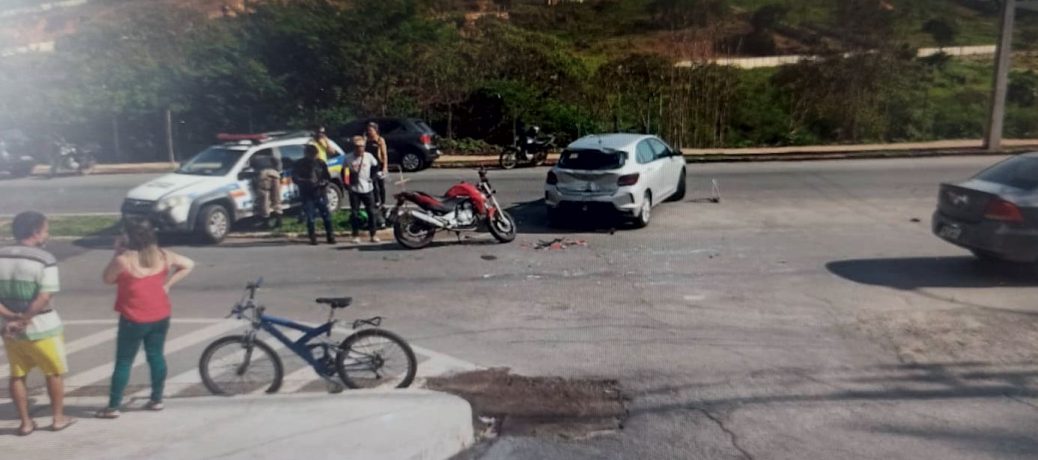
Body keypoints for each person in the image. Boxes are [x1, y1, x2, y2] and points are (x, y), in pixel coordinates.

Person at [97, 219, 194, 419]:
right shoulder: (163, 255)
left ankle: (113, 406)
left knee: (124, 361)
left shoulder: (123, 260)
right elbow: (188, 264)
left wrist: (116, 251)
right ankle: (157, 399)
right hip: (160, 314)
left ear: (128, 238)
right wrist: (167, 285)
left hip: (133, 318)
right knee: (156, 356)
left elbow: (107, 279)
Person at [0, 211, 75, 435]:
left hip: (10, 330)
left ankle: (25, 423)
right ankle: (58, 418)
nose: (47, 234)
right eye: (45, 230)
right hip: (43, 327)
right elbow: (45, 296)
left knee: (17, 374)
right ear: (35, 232)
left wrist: (11, 318)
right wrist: (25, 319)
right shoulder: (45, 259)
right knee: (53, 373)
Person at [292, 144, 336, 245]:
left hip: (320, 192)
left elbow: (327, 177)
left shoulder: (321, 163)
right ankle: (312, 237)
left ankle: (330, 236)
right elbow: (295, 178)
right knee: (310, 217)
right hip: (307, 194)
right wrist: (306, 181)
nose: (312, 157)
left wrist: (322, 183)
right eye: (309, 154)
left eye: (313, 154)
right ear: (305, 154)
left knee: (326, 216)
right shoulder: (299, 164)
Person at [345, 136, 380, 244]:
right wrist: (347, 184)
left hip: (368, 189)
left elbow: (376, 166)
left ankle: (373, 235)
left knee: (371, 212)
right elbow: (345, 171)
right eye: (357, 147)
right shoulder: (348, 158)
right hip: (355, 190)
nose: (360, 149)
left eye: (361, 147)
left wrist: (373, 178)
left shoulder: (368, 157)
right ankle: (355, 235)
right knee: (355, 213)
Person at [250, 149, 283, 228]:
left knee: (264, 198)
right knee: (276, 198)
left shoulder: (254, 157)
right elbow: (279, 166)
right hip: (275, 174)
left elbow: (251, 169)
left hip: (263, 175)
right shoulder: (272, 156)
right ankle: (279, 220)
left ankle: (266, 222)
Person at [365, 122, 389, 228]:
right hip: (370, 166)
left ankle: (382, 202)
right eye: (368, 130)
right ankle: (376, 201)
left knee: (380, 184)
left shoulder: (380, 140)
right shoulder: (366, 140)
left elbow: (384, 154)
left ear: (376, 130)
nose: (369, 132)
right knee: (373, 184)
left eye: (371, 130)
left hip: (378, 164)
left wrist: (385, 167)